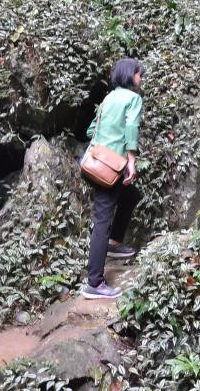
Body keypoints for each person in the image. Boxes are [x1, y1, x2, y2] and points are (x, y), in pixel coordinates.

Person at [80, 58, 143, 300]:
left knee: (131, 196)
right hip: (111, 169)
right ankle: (94, 283)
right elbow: (131, 129)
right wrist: (131, 160)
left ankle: (114, 244)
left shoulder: (108, 98)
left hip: (95, 163)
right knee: (102, 222)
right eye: (139, 74)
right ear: (130, 75)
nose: (141, 78)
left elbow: (90, 130)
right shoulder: (133, 98)